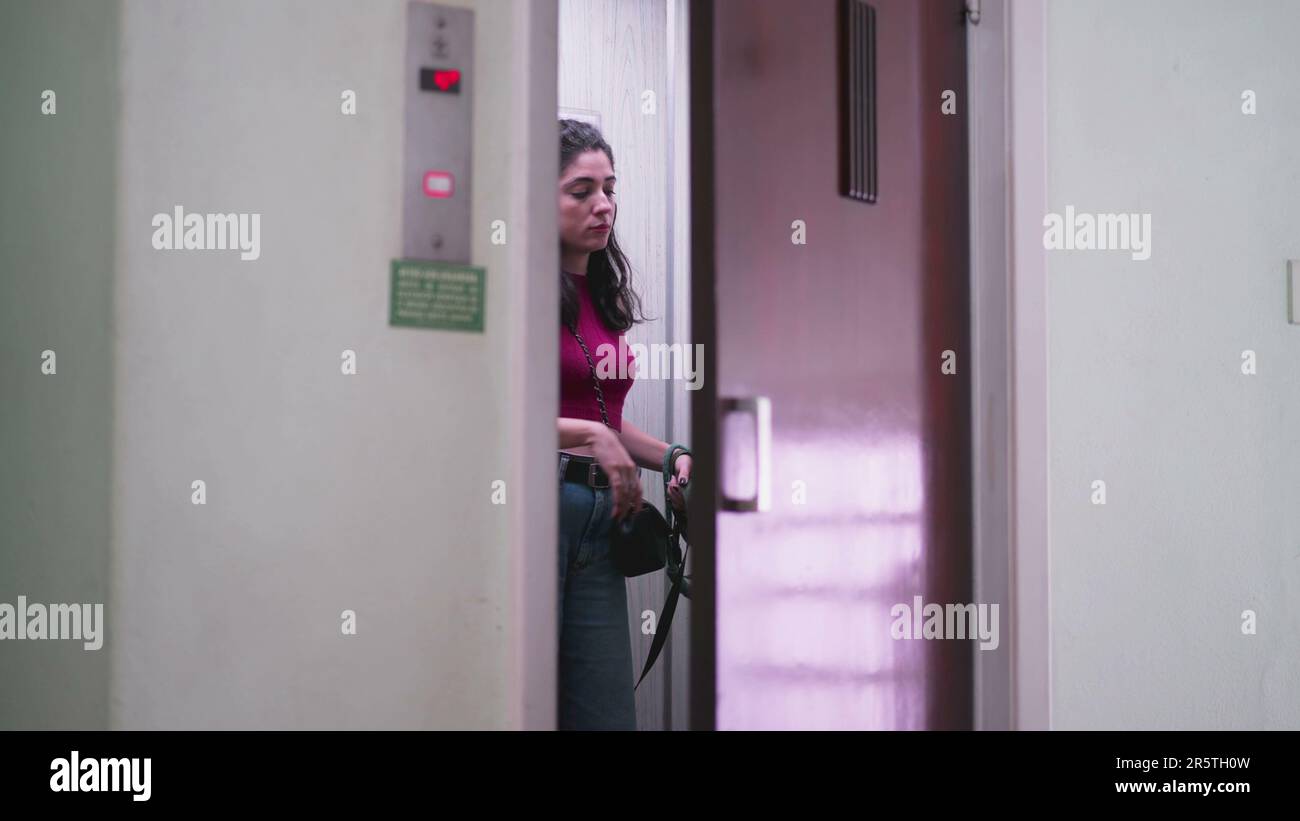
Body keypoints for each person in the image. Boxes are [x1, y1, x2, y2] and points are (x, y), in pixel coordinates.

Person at [555, 119, 693, 730]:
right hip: (536, 508)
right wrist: (590, 436)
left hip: (603, 513)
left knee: (605, 714)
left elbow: (605, 421)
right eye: (581, 190)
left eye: (609, 188)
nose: (603, 205)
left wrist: (671, 456)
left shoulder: (602, 293)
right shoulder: (514, 291)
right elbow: (493, 416)